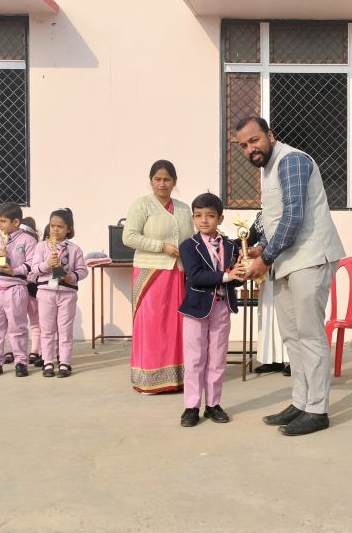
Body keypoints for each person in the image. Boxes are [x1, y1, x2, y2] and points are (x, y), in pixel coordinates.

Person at [234, 116, 346, 437]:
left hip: (309, 259)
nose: (250, 149)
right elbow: (276, 216)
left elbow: (294, 215)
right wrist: (261, 248)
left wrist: (265, 259)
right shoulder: (270, 168)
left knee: (309, 335)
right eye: (243, 145)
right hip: (286, 261)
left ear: (270, 136)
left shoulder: (292, 160)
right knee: (292, 337)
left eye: (254, 140)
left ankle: (317, 410)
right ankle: (301, 402)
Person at [123, 160, 194, 394]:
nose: (162, 184)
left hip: (178, 274)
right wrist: (161, 247)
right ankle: (149, 380)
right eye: (157, 179)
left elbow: (191, 239)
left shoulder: (183, 208)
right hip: (151, 273)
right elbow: (129, 237)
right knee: (152, 325)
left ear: (174, 182)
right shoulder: (142, 205)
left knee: (176, 326)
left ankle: (176, 378)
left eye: (167, 179)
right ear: (151, 180)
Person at [177, 193, 247, 427]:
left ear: (220, 218)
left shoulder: (232, 245)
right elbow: (195, 276)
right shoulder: (188, 246)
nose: (204, 220)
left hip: (222, 307)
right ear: (193, 218)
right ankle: (191, 407)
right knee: (195, 359)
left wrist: (242, 272)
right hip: (196, 309)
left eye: (210, 215)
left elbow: (235, 280)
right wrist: (227, 275)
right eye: (198, 216)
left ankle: (213, 405)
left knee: (217, 359)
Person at [0, 202, 38, 378]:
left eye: (3, 221)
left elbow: (32, 264)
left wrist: (14, 271)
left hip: (15, 288)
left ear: (16, 222)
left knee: (17, 328)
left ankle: (20, 362)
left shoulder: (28, 240)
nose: (0, 225)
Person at [33, 208, 88, 378]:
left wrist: (70, 277)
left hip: (67, 293)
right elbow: (34, 269)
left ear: (68, 229)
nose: (55, 230)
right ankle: (47, 361)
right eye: (52, 226)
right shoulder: (41, 247)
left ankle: (65, 362)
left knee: (65, 329)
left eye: (60, 227)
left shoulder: (74, 249)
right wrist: (47, 264)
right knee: (47, 329)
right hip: (46, 292)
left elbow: (83, 271)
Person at [250, 214, 290, 376]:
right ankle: (273, 360)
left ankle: (294, 360)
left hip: (288, 265)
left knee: (288, 314)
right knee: (268, 314)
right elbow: (249, 237)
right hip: (266, 268)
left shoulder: (290, 212)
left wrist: (262, 249)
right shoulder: (262, 216)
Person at [20, 217, 44, 368]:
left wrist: (31, 277)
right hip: (21, 288)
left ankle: (37, 351)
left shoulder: (38, 247)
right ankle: (33, 351)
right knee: (27, 322)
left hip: (34, 289)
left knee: (38, 322)